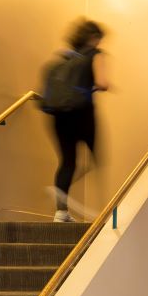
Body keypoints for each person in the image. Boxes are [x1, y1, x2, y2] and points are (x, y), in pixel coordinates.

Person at [38, 19, 110, 222]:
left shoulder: (63, 59)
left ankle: (61, 212)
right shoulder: (95, 55)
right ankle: (105, 212)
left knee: (68, 161)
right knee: (97, 158)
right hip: (82, 113)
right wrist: (101, 86)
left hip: (59, 117)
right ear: (93, 38)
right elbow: (102, 82)